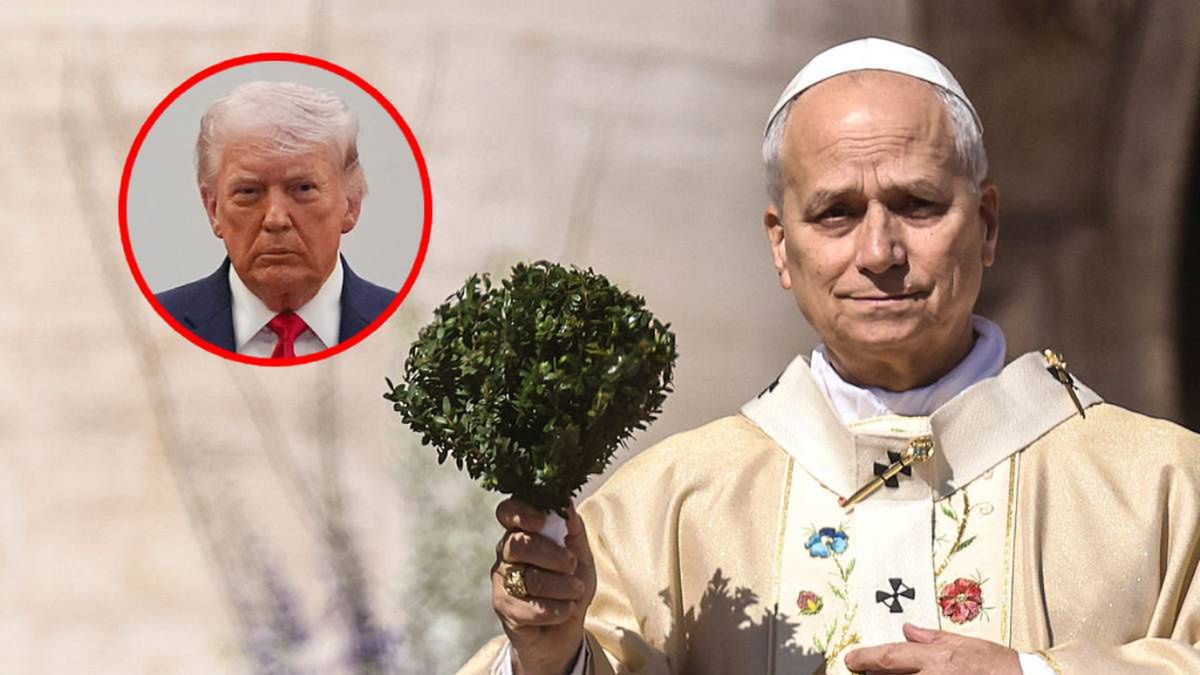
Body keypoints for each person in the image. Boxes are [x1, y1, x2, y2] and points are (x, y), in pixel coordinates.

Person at [459, 38, 1200, 675]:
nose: (879, 252)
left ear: (987, 225)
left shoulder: (1162, 482)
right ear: (782, 245)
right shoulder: (675, 502)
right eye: (836, 212)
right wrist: (552, 655)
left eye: (917, 204)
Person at [156, 81, 395, 358]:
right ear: (213, 209)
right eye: (248, 192)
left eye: (303, 189)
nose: (276, 219)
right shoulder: (160, 326)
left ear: (351, 204)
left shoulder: (404, 325)